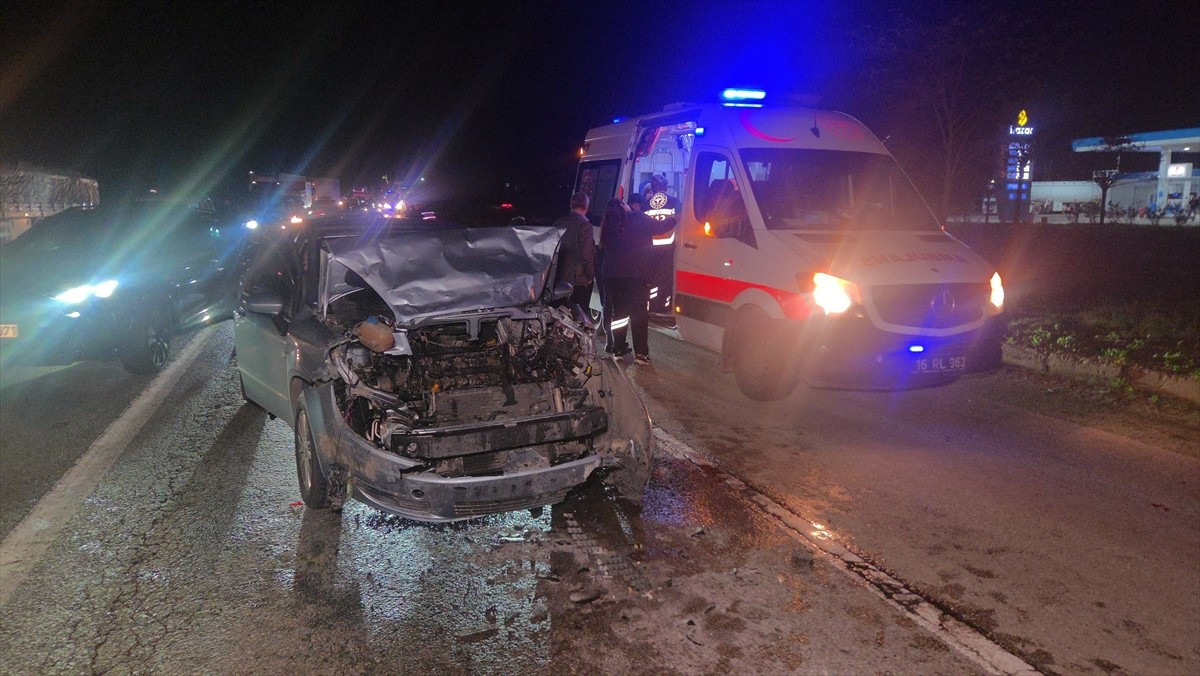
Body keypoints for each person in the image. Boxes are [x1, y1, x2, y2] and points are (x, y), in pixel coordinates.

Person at [599, 194, 672, 364]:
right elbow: (661, 228)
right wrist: (676, 218)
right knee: (639, 313)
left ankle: (618, 349)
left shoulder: (608, 226)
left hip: (613, 276)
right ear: (625, 206)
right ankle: (641, 354)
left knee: (619, 314)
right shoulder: (638, 217)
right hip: (638, 275)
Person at [551, 192, 596, 313]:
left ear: (571, 205)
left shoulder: (558, 222)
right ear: (586, 207)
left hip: (557, 278)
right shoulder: (586, 226)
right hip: (578, 280)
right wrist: (591, 275)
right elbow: (587, 254)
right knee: (579, 316)